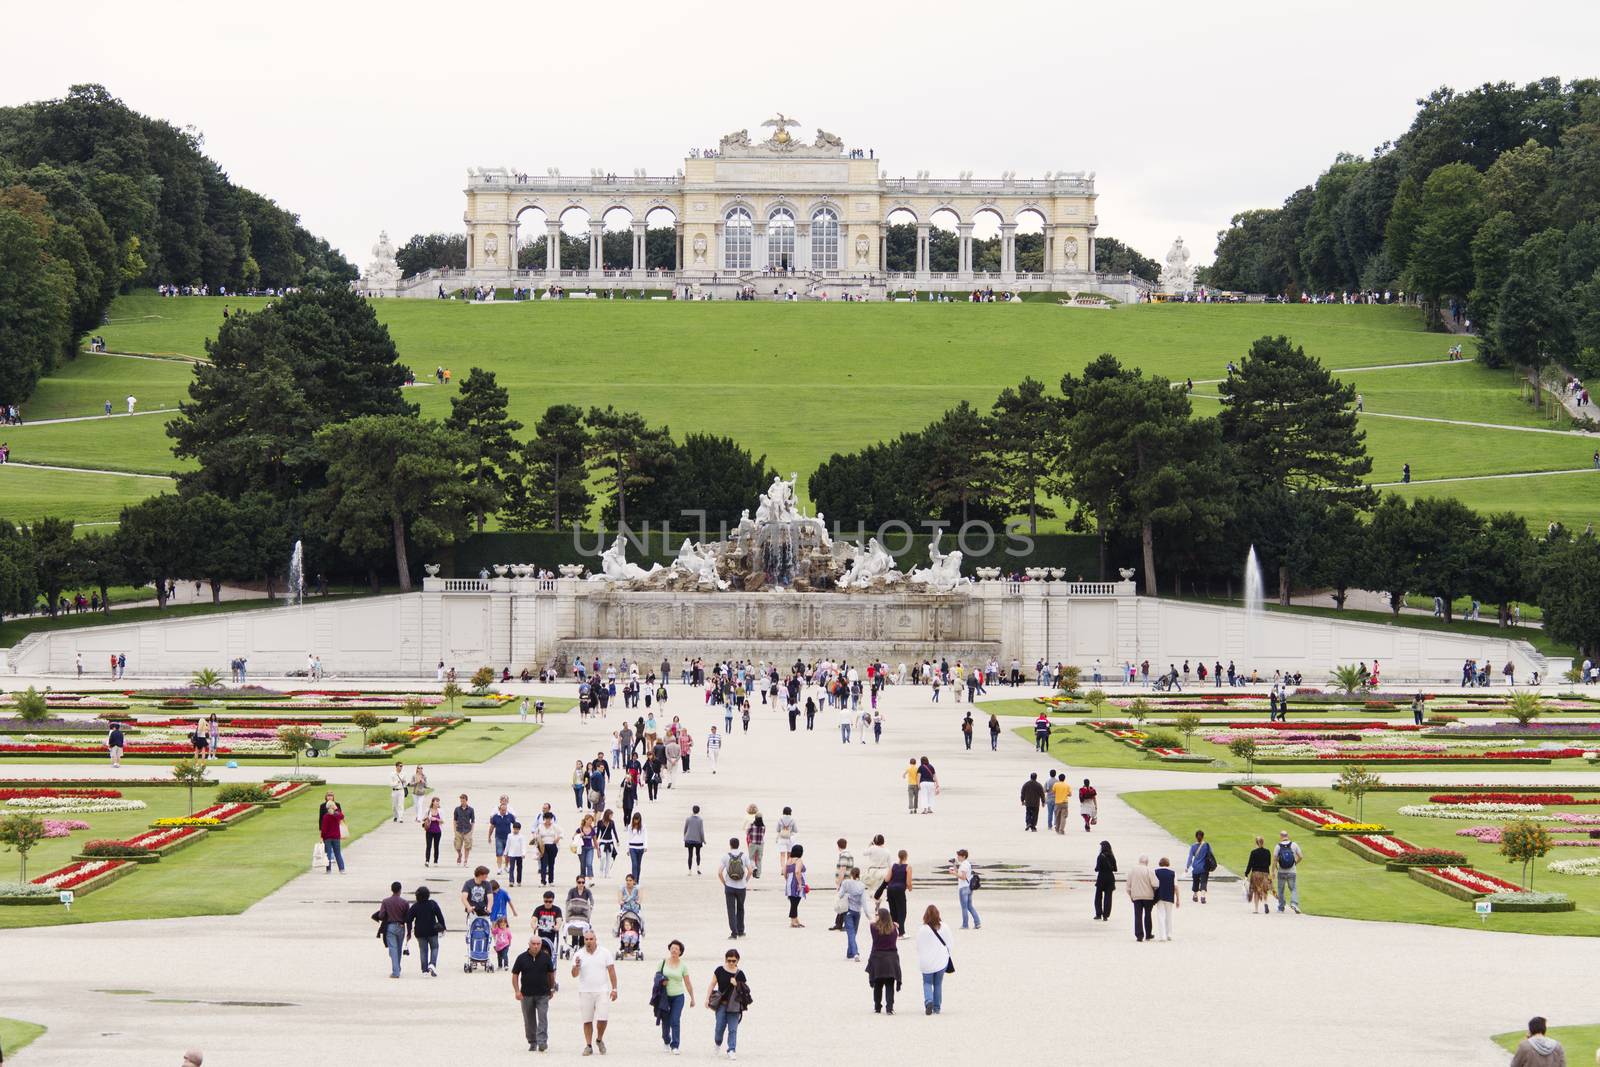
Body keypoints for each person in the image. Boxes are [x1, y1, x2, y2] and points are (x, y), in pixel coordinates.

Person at [570, 929, 618, 1056]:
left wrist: (614, 989)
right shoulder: (578, 954)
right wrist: (576, 966)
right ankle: (588, 1045)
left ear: (596, 940)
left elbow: (611, 971)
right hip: (585, 991)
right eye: (586, 939)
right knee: (587, 1020)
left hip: (602, 990)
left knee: (603, 1018)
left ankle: (599, 1039)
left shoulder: (605, 953)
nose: (589, 941)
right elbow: (574, 975)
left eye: (591, 939)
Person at [511, 934, 557, 1053]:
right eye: (534, 944)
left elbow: (551, 974)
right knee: (529, 1019)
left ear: (541, 945)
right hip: (526, 994)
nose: (536, 946)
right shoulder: (521, 958)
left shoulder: (546, 958)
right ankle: (532, 1041)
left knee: (543, 1017)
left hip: (543, 994)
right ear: (529, 944)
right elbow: (515, 974)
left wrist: (551, 989)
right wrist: (517, 991)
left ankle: (542, 1041)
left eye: (538, 944)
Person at [655, 939, 695, 1053]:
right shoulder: (662, 963)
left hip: (678, 996)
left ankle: (675, 1045)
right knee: (665, 1020)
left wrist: (692, 998)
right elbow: (656, 977)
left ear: (680, 951)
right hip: (664, 996)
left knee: (675, 1020)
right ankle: (666, 1040)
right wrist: (661, 981)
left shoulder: (683, 966)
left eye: (676, 949)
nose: (674, 950)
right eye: (672, 948)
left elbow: (687, 983)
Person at [709, 948, 748, 1059]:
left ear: (737, 961)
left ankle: (731, 1049)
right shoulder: (719, 970)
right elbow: (712, 984)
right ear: (726, 959)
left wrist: (737, 984)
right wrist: (707, 998)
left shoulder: (740, 974)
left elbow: (745, 991)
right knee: (719, 1027)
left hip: (734, 1005)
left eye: (733, 961)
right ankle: (717, 1043)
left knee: (733, 1029)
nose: (731, 963)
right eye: (729, 960)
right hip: (721, 1004)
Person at [915, 904, 952, 1015]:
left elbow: (918, 946)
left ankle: (928, 1001)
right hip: (941, 960)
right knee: (938, 984)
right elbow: (950, 943)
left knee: (927, 982)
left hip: (926, 961)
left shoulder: (922, 929)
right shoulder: (945, 927)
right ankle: (937, 1007)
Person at [865, 907, 903, 1014]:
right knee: (889, 985)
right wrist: (894, 923)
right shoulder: (894, 929)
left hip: (878, 959)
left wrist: (876, 918)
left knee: (878, 984)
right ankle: (889, 1008)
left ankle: (877, 1006)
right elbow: (895, 929)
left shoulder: (874, 928)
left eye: (877, 915)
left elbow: (871, 922)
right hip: (891, 959)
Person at [374, 880, 409, 977]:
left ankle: (396, 971)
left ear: (391, 890)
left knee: (393, 949)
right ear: (400, 890)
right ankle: (397, 967)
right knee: (398, 948)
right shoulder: (405, 902)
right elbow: (408, 917)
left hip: (390, 926)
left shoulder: (386, 901)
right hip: (401, 927)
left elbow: (381, 915)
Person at [719, 836, 750, 938]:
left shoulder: (725, 856)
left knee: (731, 910)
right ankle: (741, 930)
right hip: (742, 887)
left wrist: (725, 883)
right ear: (738, 845)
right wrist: (745, 881)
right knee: (741, 908)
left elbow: (719, 873)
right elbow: (750, 871)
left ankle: (734, 933)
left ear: (730, 845)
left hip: (729, 886)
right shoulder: (744, 856)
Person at [879, 849, 912, 935]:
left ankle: (892, 931)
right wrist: (910, 888)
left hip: (890, 890)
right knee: (902, 912)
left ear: (899, 856)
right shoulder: (908, 867)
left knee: (893, 911)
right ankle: (901, 932)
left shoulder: (893, 866)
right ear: (906, 856)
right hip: (899, 890)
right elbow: (908, 882)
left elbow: (887, 879)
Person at [838, 865, 868, 959]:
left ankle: (855, 953)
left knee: (850, 933)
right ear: (859, 875)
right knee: (853, 933)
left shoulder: (846, 883)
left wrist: (846, 894)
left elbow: (840, 894)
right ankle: (850, 953)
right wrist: (868, 915)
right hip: (857, 912)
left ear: (851, 874)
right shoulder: (862, 886)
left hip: (848, 911)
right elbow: (864, 902)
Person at [1126, 854, 1156, 942]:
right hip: (1148, 896)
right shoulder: (1149, 870)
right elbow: (1155, 884)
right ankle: (1148, 934)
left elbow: (1128, 885)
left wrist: (1130, 895)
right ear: (1147, 862)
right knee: (1148, 914)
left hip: (1136, 896)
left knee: (1138, 915)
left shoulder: (1132, 870)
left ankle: (1139, 935)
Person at [1273, 829, 1303, 913]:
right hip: (1292, 871)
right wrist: (1295, 863)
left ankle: (1281, 907)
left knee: (1280, 890)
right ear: (1287, 836)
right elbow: (1301, 856)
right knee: (1293, 888)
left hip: (1281, 871)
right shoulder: (1294, 844)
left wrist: (1273, 871)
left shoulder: (1278, 846)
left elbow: (1275, 860)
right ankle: (1294, 904)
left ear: (1281, 836)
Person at [951, 848, 980, 929]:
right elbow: (959, 873)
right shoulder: (966, 864)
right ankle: (977, 923)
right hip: (969, 887)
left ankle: (965, 925)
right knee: (970, 906)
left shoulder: (964, 864)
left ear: (963, 856)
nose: (958, 857)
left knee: (964, 907)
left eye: (959, 856)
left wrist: (953, 874)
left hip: (963, 888)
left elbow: (963, 877)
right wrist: (954, 865)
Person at [489, 795, 518, 875]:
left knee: (507, 853)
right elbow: (492, 826)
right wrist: (489, 836)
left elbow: (515, 823)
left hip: (508, 837)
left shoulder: (510, 814)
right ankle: (499, 868)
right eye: (502, 810)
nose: (503, 811)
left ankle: (506, 866)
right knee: (499, 853)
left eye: (505, 810)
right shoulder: (495, 815)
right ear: (499, 809)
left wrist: (516, 834)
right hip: (498, 837)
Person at [1153, 857, 1179, 941]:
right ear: (1168, 864)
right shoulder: (1173, 873)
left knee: (1161, 915)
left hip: (1159, 896)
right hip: (1169, 896)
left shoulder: (1156, 872)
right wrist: (1178, 898)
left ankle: (1162, 935)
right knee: (1169, 915)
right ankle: (1169, 934)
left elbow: (1154, 885)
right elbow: (1176, 887)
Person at [318, 792, 346, 874]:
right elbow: (342, 816)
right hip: (336, 837)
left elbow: (324, 829)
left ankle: (328, 870)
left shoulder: (326, 816)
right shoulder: (337, 815)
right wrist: (336, 809)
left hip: (327, 838)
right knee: (338, 853)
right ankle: (342, 869)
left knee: (328, 854)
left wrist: (322, 837)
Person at [1245, 835, 1273, 914]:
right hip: (1265, 873)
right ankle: (1265, 903)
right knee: (1264, 890)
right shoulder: (1267, 852)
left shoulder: (1253, 852)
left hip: (1256, 873)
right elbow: (1269, 863)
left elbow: (1250, 864)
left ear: (1256, 843)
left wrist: (1246, 873)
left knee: (1256, 891)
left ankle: (1256, 909)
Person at [1184, 830, 1214, 903]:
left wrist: (1187, 866)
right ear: (1203, 836)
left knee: (1195, 881)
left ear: (1195, 837)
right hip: (1204, 867)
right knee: (1204, 882)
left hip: (1195, 867)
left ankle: (1195, 895)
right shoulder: (1207, 845)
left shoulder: (1193, 846)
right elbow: (1211, 854)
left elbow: (1190, 857)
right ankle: (1203, 896)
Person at [783, 844, 807, 928]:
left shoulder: (789, 860)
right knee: (795, 903)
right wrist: (800, 884)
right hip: (796, 884)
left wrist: (788, 881)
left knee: (793, 903)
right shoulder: (798, 860)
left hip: (789, 884)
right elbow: (797, 872)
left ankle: (796, 920)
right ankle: (793, 922)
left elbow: (785, 873)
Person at [1093, 841, 1117, 921]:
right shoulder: (1112, 856)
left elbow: (1097, 868)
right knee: (1108, 897)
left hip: (1101, 878)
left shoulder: (1100, 856)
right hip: (1110, 878)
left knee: (1098, 897)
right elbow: (1115, 869)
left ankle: (1098, 914)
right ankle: (1106, 915)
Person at [453, 794, 476, 866]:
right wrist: (454, 829)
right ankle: (459, 854)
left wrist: (472, 830)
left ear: (466, 800)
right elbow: (454, 820)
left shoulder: (471, 810)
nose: (462, 802)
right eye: (461, 801)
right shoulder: (457, 809)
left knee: (467, 846)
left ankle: (465, 860)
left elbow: (472, 821)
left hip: (467, 830)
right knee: (457, 846)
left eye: (463, 801)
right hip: (458, 829)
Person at [684, 804, 706, 874]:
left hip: (689, 839)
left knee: (690, 855)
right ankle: (698, 868)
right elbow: (701, 831)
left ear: (692, 810)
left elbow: (685, 829)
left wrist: (684, 837)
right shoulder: (700, 820)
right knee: (698, 854)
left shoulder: (688, 819)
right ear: (698, 811)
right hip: (698, 840)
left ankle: (689, 870)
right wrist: (703, 840)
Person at [744, 807, 765, 879]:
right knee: (759, 859)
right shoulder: (763, 827)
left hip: (752, 844)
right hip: (761, 844)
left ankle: (754, 867)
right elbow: (763, 835)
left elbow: (747, 832)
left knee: (751, 858)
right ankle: (758, 874)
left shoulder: (752, 825)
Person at [422, 796, 444, 866]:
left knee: (436, 846)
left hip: (438, 831)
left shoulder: (440, 811)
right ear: (433, 802)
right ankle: (427, 861)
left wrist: (436, 819)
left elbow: (443, 821)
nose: (437, 803)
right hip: (429, 831)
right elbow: (424, 818)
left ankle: (435, 861)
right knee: (428, 846)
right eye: (436, 801)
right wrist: (429, 818)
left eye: (438, 802)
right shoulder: (428, 810)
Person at [627, 812, 648, 881]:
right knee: (634, 864)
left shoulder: (643, 826)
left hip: (640, 848)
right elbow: (628, 838)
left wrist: (645, 846)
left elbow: (645, 836)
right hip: (632, 847)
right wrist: (628, 849)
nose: (636, 821)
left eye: (637, 820)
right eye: (635, 820)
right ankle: (634, 880)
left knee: (638, 865)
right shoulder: (630, 826)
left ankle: (637, 880)